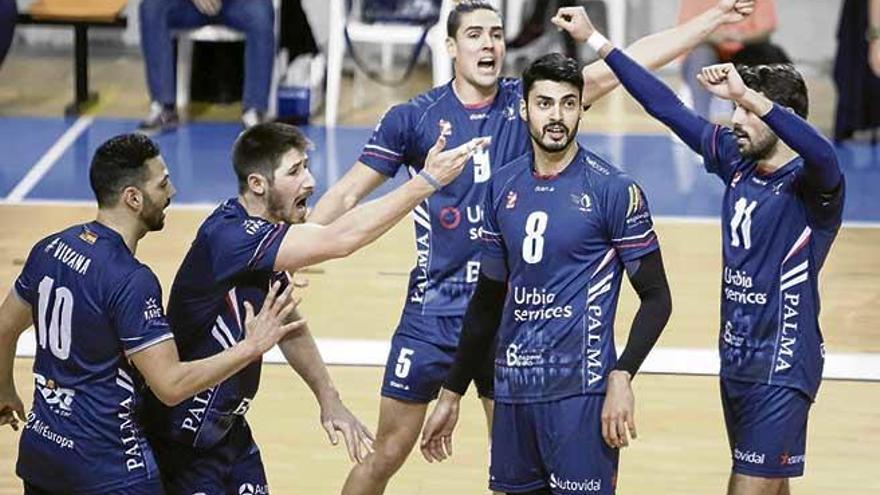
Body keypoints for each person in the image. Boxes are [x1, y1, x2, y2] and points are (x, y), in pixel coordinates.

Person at [308, 1, 755, 493]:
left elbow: (635, 60)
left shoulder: (532, 104)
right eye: (475, 34)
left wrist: (710, 21)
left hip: (508, 324)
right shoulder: (414, 118)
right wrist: (295, 249)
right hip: (432, 314)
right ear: (451, 47)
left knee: (518, 477)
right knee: (386, 453)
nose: (489, 44)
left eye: (497, 34)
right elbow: (348, 192)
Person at [561, 8, 844, 495]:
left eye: (745, 112)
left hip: (782, 365)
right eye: (732, 109)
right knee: (771, 485)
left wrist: (747, 93)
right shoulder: (735, 160)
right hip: (736, 359)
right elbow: (665, 107)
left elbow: (822, 153)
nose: (734, 120)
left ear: (784, 118)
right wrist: (597, 41)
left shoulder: (813, 187)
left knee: (748, 485)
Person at [141, 122, 488, 494]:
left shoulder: (265, 240)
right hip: (181, 442)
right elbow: (340, 239)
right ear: (257, 184)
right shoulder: (231, 238)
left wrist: (329, 398)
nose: (309, 181)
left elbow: (289, 322)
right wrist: (427, 182)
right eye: (294, 171)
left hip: (228, 434)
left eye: (307, 166)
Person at [420, 53, 673, 495]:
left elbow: (657, 298)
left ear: (581, 107)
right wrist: (452, 391)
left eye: (568, 103)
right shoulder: (501, 186)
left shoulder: (614, 189)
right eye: (544, 103)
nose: (556, 116)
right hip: (514, 393)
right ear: (524, 109)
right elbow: (487, 299)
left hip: (581, 394)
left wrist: (622, 374)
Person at [0, 133, 304, 494]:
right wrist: (250, 347)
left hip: (42, 453)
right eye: (162, 184)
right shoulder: (131, 280)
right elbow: (171, 385)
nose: (172, 191)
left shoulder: (49, 248)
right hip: (109, 468)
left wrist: (4, 387)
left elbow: (4, 326)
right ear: (133, 198)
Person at [138, 0, 275, 133]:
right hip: (188, 6)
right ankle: (163, 108)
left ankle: (254, 111)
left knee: (261, 11)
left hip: (236, 4)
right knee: (151, 7)